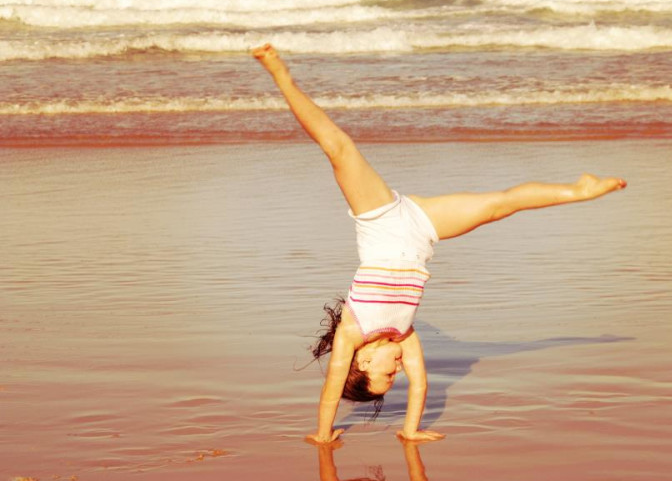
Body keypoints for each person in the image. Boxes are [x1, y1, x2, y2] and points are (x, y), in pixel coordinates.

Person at [252, 43, 626, 444]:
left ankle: (280, 76)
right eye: (393, 377)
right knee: (501, 206)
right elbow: (422, 386)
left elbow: (330, 393)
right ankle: (579, 190)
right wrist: (410, 430)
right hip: (421, 229)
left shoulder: (353, 332)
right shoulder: (405, 334)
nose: (396, 371)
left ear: (361, 361)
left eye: (385, 374)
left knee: (338, 147)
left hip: (379, 217)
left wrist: (323, 435)